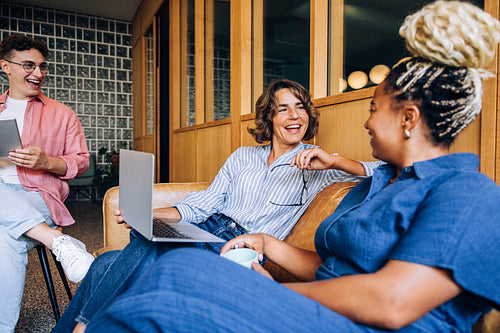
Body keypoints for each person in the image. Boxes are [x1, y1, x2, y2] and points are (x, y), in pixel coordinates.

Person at [82, 1, 500, 332]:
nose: (367, 121)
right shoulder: (383, 186)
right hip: (316, 297)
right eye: (282, 109)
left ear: (408, 119)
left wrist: (278, 292)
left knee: (180, 270)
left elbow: (391, 302)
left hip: (354, 322)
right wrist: (267, 243)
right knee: (128, 264)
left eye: (374, 109)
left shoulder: (468, 192)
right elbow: (337, 268)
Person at [53, 78, 382, 332]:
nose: (294, 115)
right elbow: (201, 205)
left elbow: (385, 170)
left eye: (300, 107)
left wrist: (338, 162)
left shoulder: (317, 165)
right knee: (111, 259)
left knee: (128, 253)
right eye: (283, 108)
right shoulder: (242, 157)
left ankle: (85, 326)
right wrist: (147, 214)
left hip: (239, 246)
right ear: (269, 116)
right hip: (207, 227)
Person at [0, 34, 94, 332]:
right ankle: (58, 241)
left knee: (4, 238)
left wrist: (46, 163)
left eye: (42, 66)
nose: (38, 73)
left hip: (37, 194)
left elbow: (80, 162)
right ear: (6, 67)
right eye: (29, 65)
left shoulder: (62, 114)